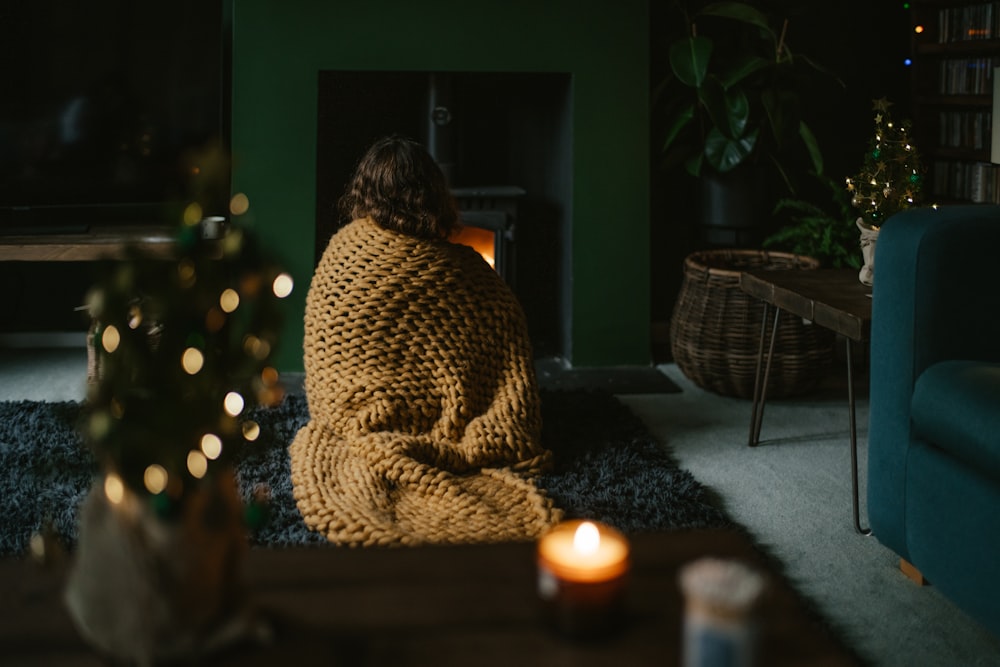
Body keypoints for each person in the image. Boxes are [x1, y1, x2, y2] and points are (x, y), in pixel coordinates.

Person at [289, 135, 561, 546]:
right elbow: (505, 331)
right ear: (432, 193)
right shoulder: (465, 270)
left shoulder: (341, 250)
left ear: (365, 190)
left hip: (343, 409)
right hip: (419, 415)